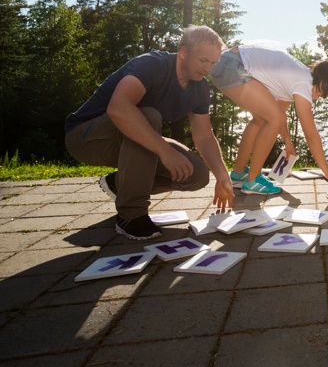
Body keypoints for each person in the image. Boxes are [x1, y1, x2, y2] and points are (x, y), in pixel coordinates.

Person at [65, 25, 234, 240]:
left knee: (197, 175)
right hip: (86, 138)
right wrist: (165, 150)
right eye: (203, 61)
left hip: (131, 142)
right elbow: (119, 108)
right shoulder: (152, 64)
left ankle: (118, 184)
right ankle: (131, 215)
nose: (208, 69)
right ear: (183, 52)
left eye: (213, 63)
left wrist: (222, 176)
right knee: (149, 116)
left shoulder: (199, 87)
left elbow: (204, 136)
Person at [210, 47, 328, 194]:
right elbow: (310, 134)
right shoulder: (303, 83)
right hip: (232, 65)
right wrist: (326, 171)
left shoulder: (298, 79)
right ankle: (252, 180)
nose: (325, 96)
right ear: (321, 81)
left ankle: (238, 173)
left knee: (261, 119)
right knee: (272, 118)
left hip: (224, 64)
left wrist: (287, 142)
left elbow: (278, 114)